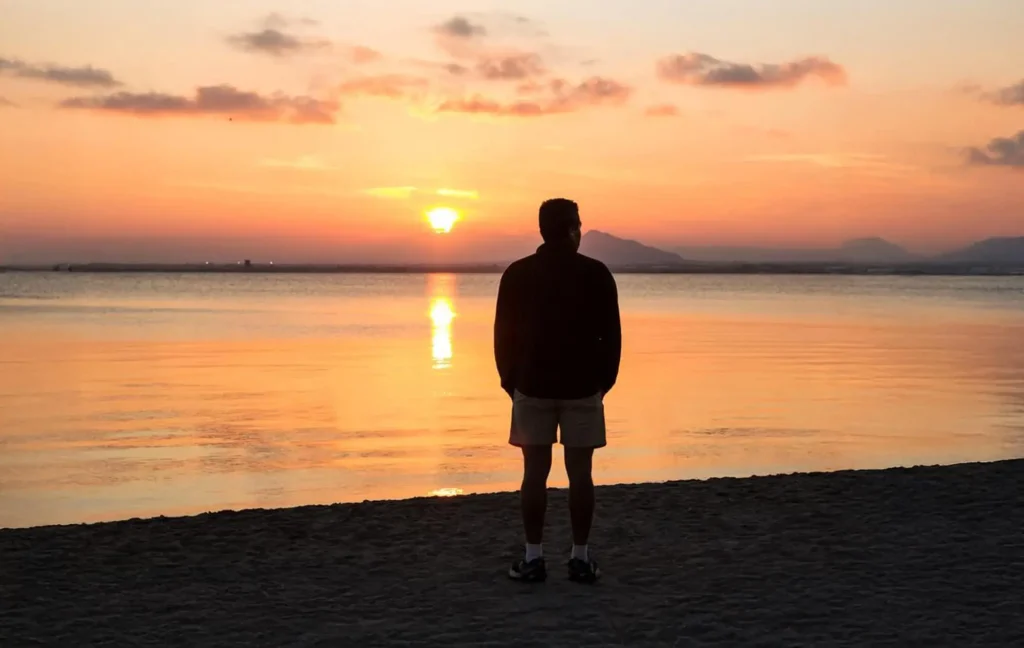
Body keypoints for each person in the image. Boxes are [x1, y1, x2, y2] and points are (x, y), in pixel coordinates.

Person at [493, 197, 622, 584]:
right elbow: (612, 336)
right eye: (579, 225)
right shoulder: (596, 273)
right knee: (580, 474)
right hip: (582, 388)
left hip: (532, 386)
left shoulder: (517, 274)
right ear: (571, 229)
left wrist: (510, 380)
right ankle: (579, 558)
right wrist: (604, 382)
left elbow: (503, 335)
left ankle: (534, 557)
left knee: (534, 473)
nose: (581, 232)